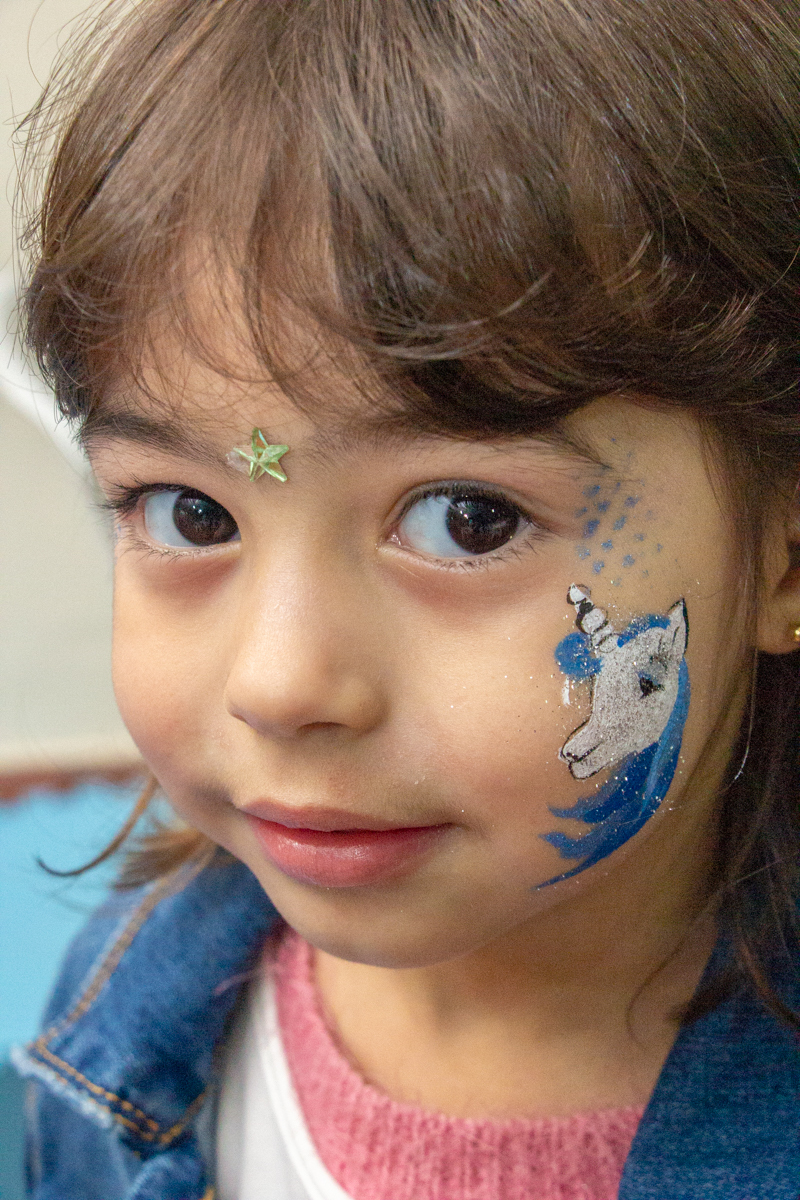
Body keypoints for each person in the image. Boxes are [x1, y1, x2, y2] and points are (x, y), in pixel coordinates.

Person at [11, 1, 800, 1197]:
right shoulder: (119, 1032)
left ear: (783, 557)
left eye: (465, 521)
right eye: (191, 514)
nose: (279, 685)